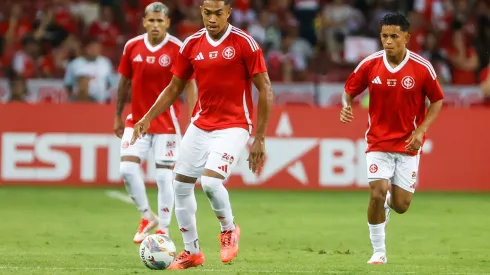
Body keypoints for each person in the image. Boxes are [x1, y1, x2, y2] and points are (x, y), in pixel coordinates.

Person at [131, 0, 273, 269]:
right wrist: (147, 117)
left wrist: (260, 138)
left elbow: (265, 89)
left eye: (218, 13)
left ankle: (228, 229)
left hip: (234, 125)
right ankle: (192, 251)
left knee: (209, 183)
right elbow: (174, 88)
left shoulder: (245, 43)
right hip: (200, 124)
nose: (212, 19)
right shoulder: (191, 45)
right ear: (201, 12)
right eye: (207, 13)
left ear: (229, 12)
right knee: (180, 186)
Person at [340, 13, 444, 264]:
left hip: (408, 144)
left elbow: (437, 100)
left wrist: (421, 132)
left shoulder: (421, 67)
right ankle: (378, 252)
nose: (388, 41)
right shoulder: (370, 64)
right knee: (376, 192)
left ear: (407, 37)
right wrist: (346, 105)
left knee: (401, 205)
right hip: (377, 142)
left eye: (394, 36)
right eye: (384, 36)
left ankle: (390, 203)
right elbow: (349, 90)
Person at [113, 2, 197, 244]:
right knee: (127, 169)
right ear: (144, 21)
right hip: (136, 120)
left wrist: (193, 117)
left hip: (166, 123)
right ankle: (146, 215)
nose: (155, 25)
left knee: (163, 177)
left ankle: (164, 230)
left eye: (160, 21)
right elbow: (124, 83)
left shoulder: (177, 48)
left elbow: (189, 83)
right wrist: (118, 115)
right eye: (151, 20)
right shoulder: (132, 47)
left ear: (168, 23)